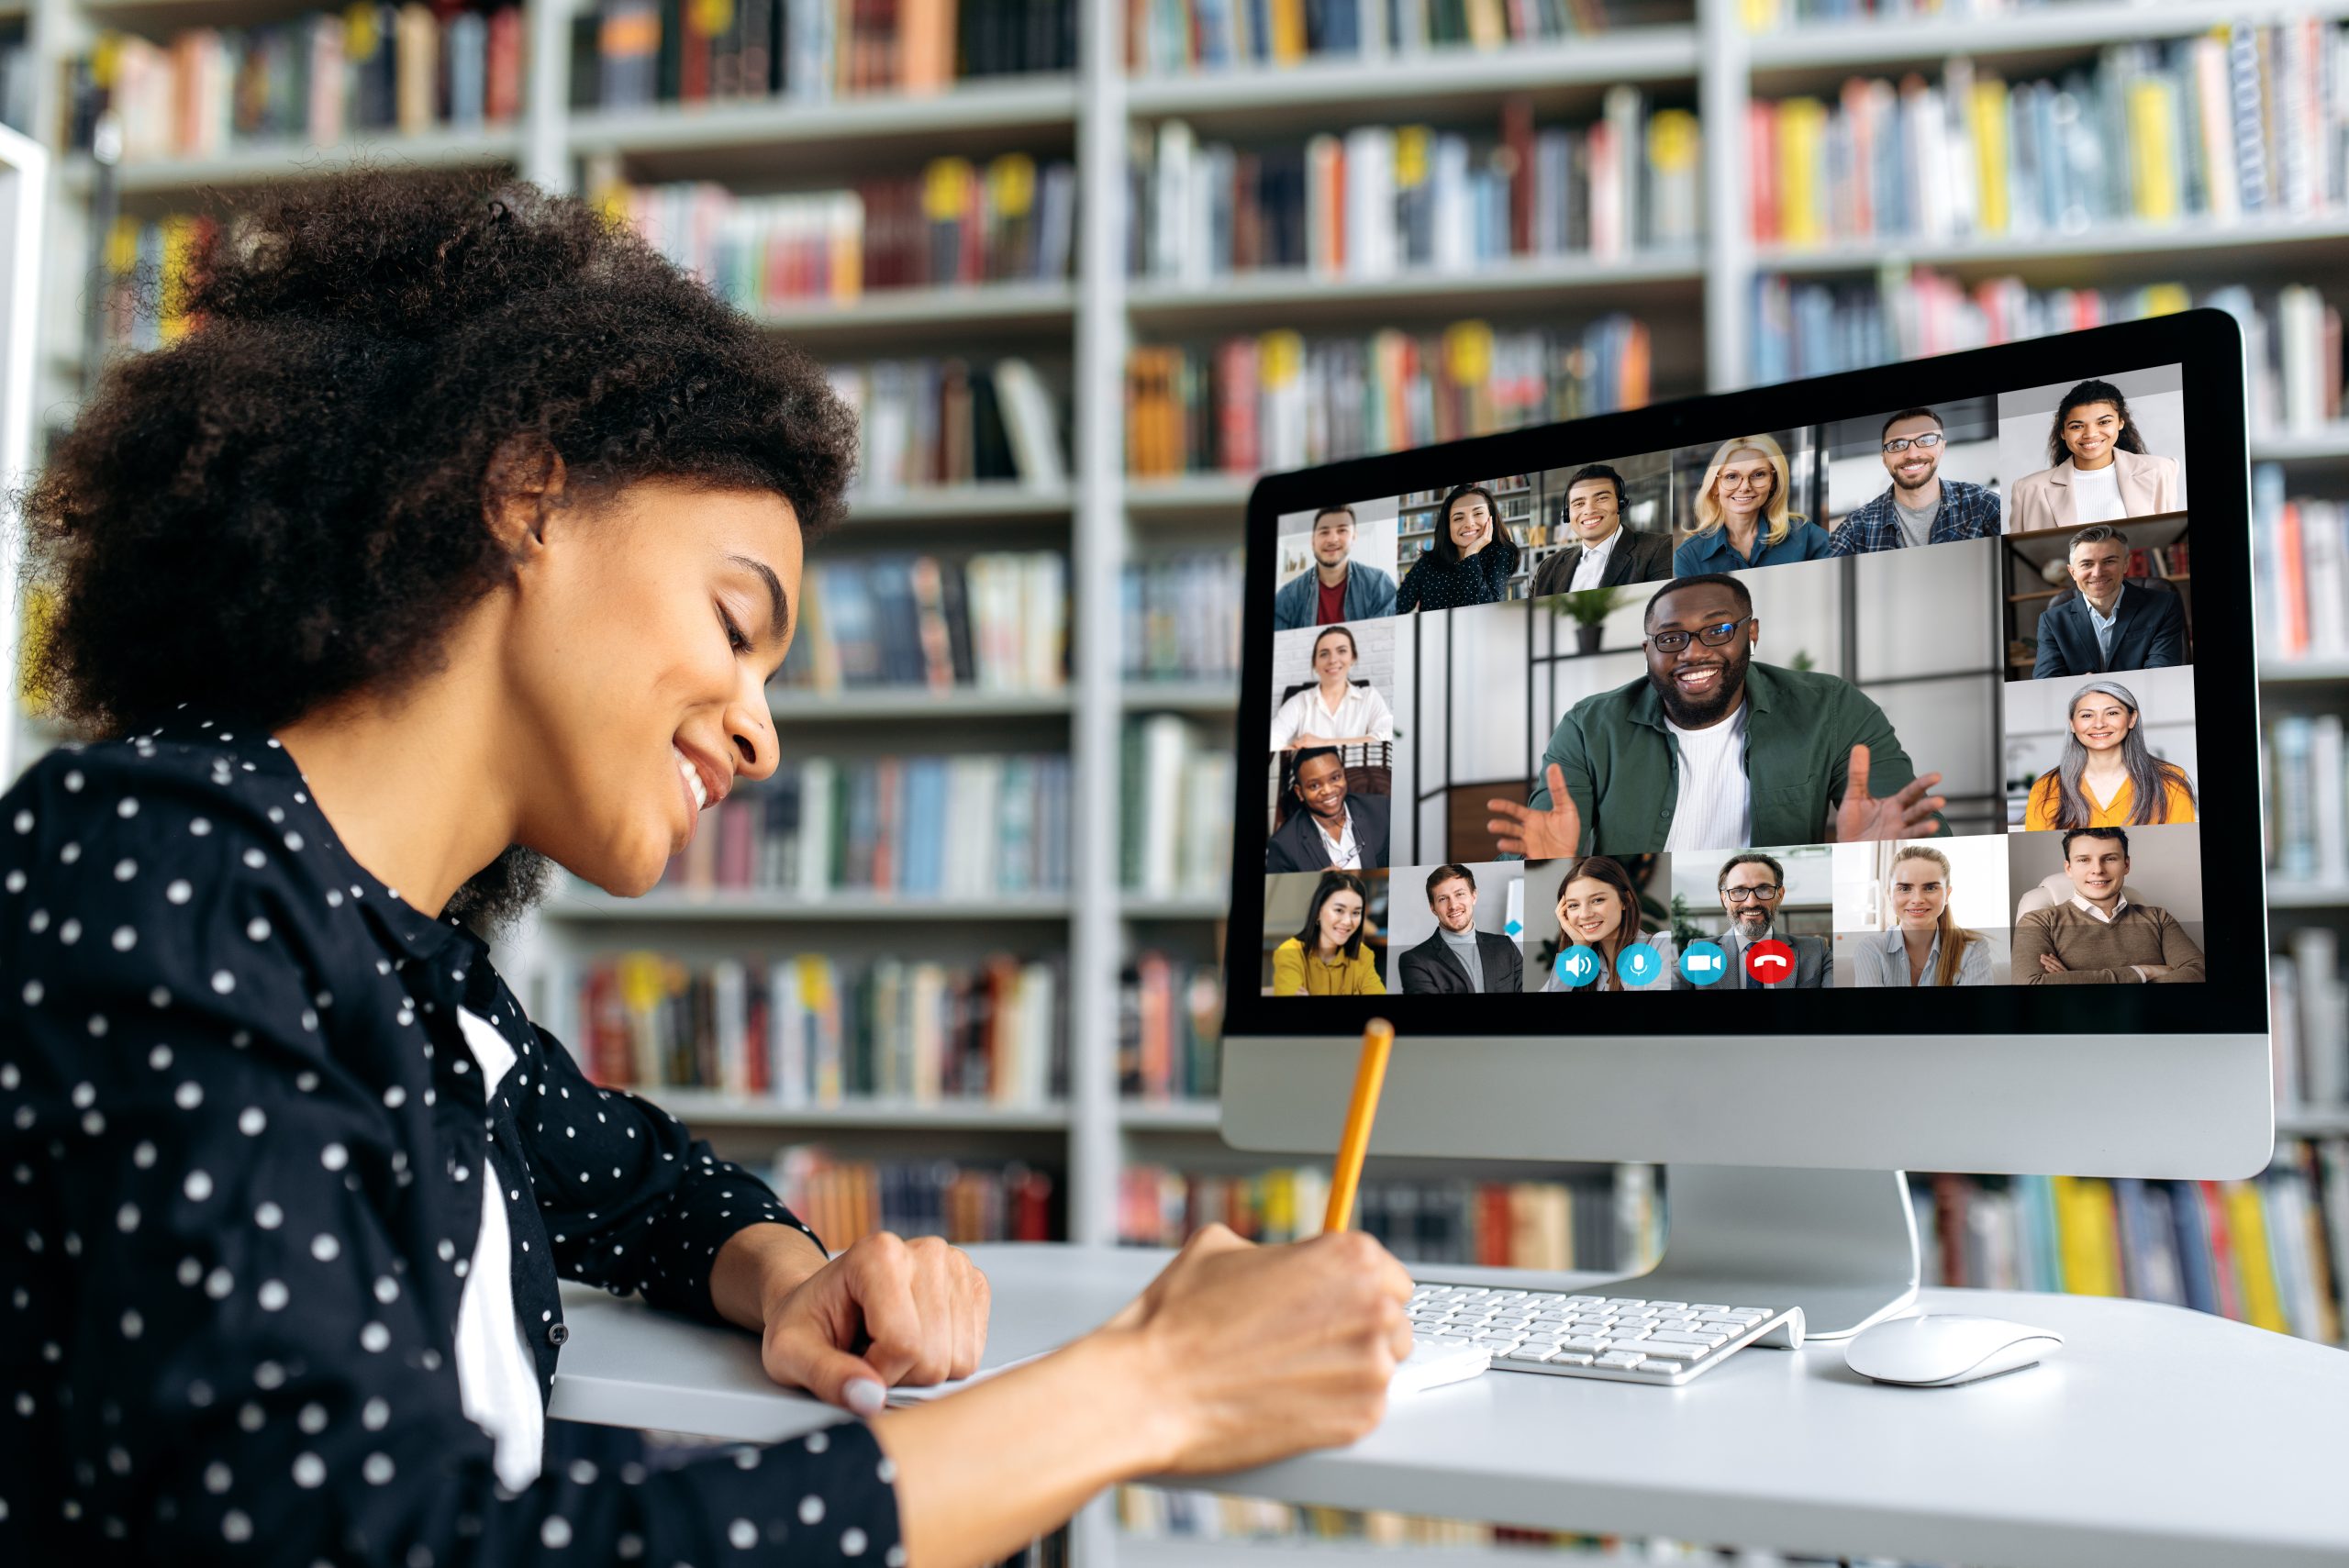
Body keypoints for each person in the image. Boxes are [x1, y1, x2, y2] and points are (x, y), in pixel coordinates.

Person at [0, 172, 1421, 1568]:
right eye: (739, 621)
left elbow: (646, 1186)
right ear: (527, 497)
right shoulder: (154, 865)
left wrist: (794, 1274)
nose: (760, 728)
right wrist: (1151, 1387)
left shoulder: (414, 967)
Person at [1485, 575, 1949, 859]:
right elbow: (1541, 844)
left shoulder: (1830, 708)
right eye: (1671, 638)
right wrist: (1542, 866)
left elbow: (1912, 836)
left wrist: (1883, 857)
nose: (1693, 652)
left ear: (1752, 632)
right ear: (1648, 651)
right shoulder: (1588, 727)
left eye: (1718, 630)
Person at [2013, 828, 2206, 984]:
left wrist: (2072, 980)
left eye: (2110, 858)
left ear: (2126, 865)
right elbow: (2030, 985)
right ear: (2069, 868)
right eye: (2084, 860)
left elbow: (2199, 972)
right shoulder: (2038, 921)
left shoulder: (2158, 918)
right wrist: (2144, 972)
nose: (2097, 870)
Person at [2009, 379, 2182, 533]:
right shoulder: (2028, 489)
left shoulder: (2161, 470)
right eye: (2077, 426)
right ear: (2062, 432)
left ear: (2121, 422)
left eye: (2104, 422)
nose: (2090, 434)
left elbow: (2171, 537)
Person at [2021, 679, 2198, 830]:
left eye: (2112, 713)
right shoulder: (2044, 788)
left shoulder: (2171, 780)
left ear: (2132, 719)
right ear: (2073, 724)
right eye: (2087, 715)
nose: (2099, 724)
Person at [1826, 407, 2003, 555]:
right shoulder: (1856, 527)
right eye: (1897, 445)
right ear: (1884, 458)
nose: (1912, 454)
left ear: (1942, 448)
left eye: (1926, 440)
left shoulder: (1982, 504)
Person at [2031, 523, 2188, 678]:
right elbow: (2046, 684)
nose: (2098, 573)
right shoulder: (2051, 621)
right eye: (2087, 564)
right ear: (2072, 572)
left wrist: (2094, 686)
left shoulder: (2163, 606)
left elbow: (2161, 675)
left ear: (2126, 564)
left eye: (2109, 561)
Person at [1671, 433, 1833, 574]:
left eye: (1758, 474)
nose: (1745, 487)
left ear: (1773, 483)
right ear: (1715, 487)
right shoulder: (1688, 556)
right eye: (1731, 476)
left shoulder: (1804, 535)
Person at [1851, 845, 1991, 986]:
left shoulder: (1972, 949)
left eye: (1930, 888)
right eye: (1905, 888)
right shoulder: (1871, 949)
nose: (1917, 899)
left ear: (1947, 895)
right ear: (1890, 895)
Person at [1528, 463, 1674, 597]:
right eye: (1579, 503)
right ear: (1567, 514)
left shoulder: (1660, 549)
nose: (1589, 510)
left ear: (1620, 503)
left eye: (1601, 498)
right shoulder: (1547, 568)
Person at [1539, 855, 1677, 991]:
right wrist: (1579, 949)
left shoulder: (1660, 946)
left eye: (1597, 900)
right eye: (1574, 905)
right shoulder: (1588, 968)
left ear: (1625, 900)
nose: (1585, 914)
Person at [1396, 863, 1525, 994]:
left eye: (1460, 894)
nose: (1453, 905)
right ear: (1433, 908)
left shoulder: (1506, 946)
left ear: (1474, 896)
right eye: (1443, 899)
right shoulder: (1415, 961)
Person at [1395, 483, 1520, 613]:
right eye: (1458, 518)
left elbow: (1486, 612)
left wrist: (1471, 555)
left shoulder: (1501, 554)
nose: (1469, 524)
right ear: (1447, 527)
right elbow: (1395, 608)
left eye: (1477, 513)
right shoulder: (1427, 563)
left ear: (1491, 519)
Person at [1713, 852, 1831, 988]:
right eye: (1739, 890)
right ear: (1724, 898)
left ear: (1780, 895)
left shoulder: (1816, 952)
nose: (1751, 903)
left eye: (1764, 889)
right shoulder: (1697, 952)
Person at [1265, 747, 1392, 873]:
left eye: (1335, 778)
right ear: (1300, 793)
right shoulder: (1283, 846)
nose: (1328, 790)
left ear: (1343, 774)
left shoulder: (1382, 809)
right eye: (1314, 785)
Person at [1273, 504, 1399, 630]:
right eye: (1324, 532)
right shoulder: (1287, 598)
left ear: (1354, 537)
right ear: (1313, 541)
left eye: (1342, 530)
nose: (1332, 539)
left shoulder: (1379, 586)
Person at [1269, 625, 1394, 751]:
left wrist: (1323, 743)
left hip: (1358, 772)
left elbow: (1388, 735)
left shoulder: (1369, 696)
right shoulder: (1299, 701)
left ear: (1353, 658)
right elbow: (1272, 740)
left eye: (1342, 651)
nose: (1333, 660)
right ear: (1315, 664)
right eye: (1324, 654)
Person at [1270, 871, 1386, 995]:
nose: (1348, 922)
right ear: (1318, 912)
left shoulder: (1363, 955)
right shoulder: (1289, 953)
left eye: (1356, 912)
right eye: (1339, 910)